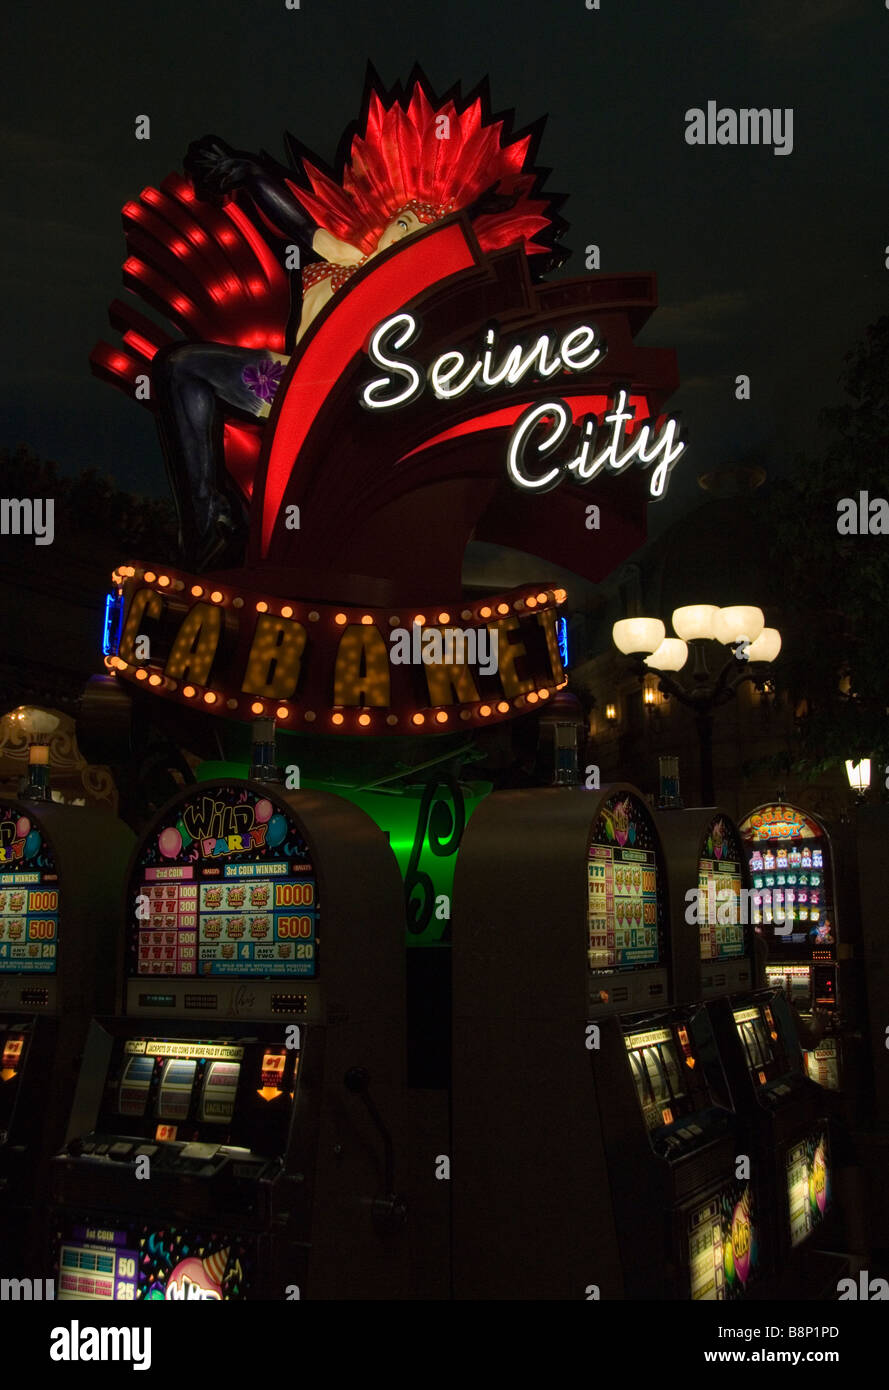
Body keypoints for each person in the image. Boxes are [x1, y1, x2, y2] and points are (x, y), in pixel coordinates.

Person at [153, 135, 524, 570]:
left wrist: (475, 212)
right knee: (182, 368)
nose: (404, 237)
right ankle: (206, 522)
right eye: (402, 224)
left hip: (352, 406)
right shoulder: (350, 259)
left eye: (420, 237)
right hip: (292, 385)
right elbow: (297, 225)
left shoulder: (412, 303)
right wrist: (251, 174)